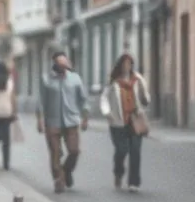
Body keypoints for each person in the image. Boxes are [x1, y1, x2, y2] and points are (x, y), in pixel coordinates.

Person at [36, 51, 89, 193]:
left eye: (65, 63)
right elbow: (41, 101)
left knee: (74, 151)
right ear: (54, 64)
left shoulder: (75, 79)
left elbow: (83, 99)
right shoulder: (46, 80)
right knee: (55, 152)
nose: (63, 66)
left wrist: (85, 117)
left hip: (71, 120)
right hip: (52, 122)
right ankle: (58, 179)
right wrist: (39, 119)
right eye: (60, 63)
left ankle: (66, 171)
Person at [100, 53, 150, 192]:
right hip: (117, 121)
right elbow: (104, 98)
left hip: (135, 120)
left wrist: (145, 96)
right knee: (121, 150)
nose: (127, 66)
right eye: (125, 64)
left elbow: (145, 96)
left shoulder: (137, 79)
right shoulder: (114, 82)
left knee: (135, 150)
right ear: (120, 65)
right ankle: (118, 172)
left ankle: (134, 182)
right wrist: (107, 112)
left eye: (129, 64)